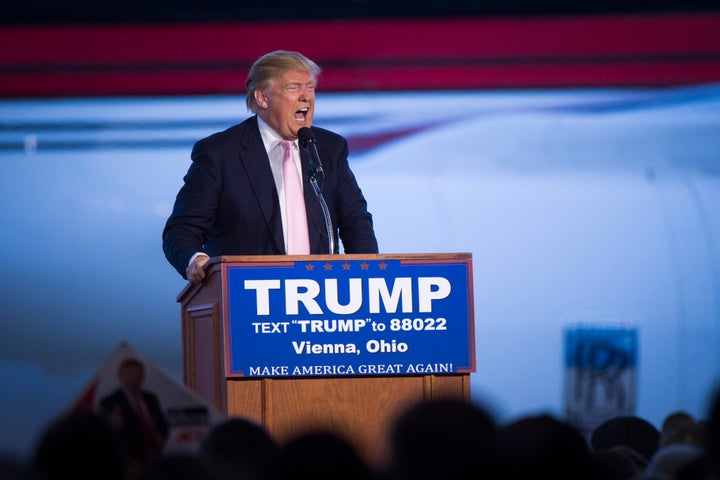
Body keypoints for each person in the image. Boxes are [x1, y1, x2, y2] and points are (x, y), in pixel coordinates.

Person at [162, 50, 379, 283]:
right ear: (262, 98)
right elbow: (182, 229)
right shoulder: (220, 154)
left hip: (321, 294)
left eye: (310, 87)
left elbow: (356, 222)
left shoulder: (329, 148)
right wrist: (195, 259)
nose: (306, 96)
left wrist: (367, 277)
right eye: (294, 87)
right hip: (247, 293)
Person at [98, 357, 170, 476]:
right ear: (120, 376)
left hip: (154, 459)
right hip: (129, 464)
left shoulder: (151, 398)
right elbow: (104, 434)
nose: (134, 379)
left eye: (138, 375)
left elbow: (162, 423)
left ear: (143, 377)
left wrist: (160, 435)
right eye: (130, 374)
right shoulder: (109, 402)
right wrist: (113, 424)